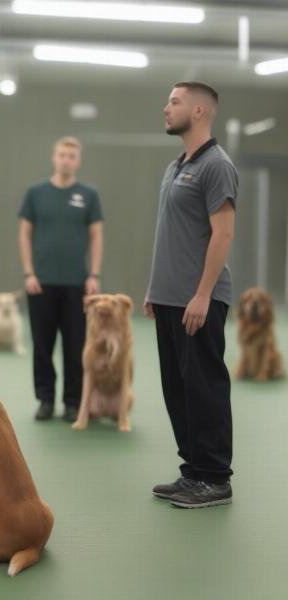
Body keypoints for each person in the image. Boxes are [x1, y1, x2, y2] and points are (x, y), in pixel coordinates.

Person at [144, 81, 238, 509]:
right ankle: (194, 472)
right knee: (177, 390)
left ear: (199, 111)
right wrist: (154, 289)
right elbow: (171, 235)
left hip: (198, 301)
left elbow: (223, 234)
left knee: (204, 389)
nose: (166, 108)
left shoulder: (216, 165)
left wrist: (202, 295)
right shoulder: (176, 165)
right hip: (168, 299)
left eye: (175, 102)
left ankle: (215, 477)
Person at [18, 136, 104, 423]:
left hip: (77, 284)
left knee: (75, 344)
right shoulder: (35, 193)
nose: (66, 160)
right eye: (62, 155)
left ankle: (72, 402)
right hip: (40, 283)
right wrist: (29, 272)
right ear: (54, 158)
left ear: (77, 161)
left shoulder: (89, 195)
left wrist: (93, 274)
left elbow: (96, 235)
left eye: (72, 156)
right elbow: (25, 233)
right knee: (42, 345)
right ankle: (45, 400)